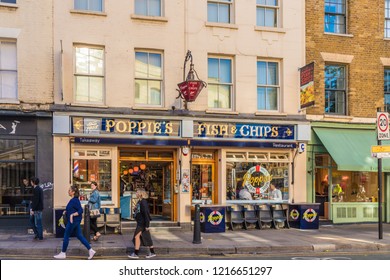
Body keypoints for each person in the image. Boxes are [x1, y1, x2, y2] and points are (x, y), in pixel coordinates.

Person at [54, 185, 96, 259]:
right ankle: (91, 250)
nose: (68, 191)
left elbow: (80, 210)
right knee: (79, 236)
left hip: (73, 221)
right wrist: (66, 211)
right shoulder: (73, 200)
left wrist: (72, 215)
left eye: (69, 190)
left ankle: (63, 253)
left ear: (73, 192)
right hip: (75, 221)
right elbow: (71, 209)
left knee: (66, 235)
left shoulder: (75, 200)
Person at [128, 188, 156, 259]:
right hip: (140, 222)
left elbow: (146, 213)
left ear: (141, 194)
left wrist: (147, 225)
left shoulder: (143, 202)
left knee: (136, 237)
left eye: (137, 192)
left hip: (142, 223)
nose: (136, 194)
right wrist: (135, 209)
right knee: (147, 237)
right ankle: (152, 252)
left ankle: (136, 253)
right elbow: (138, 210)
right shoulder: (139, 202)